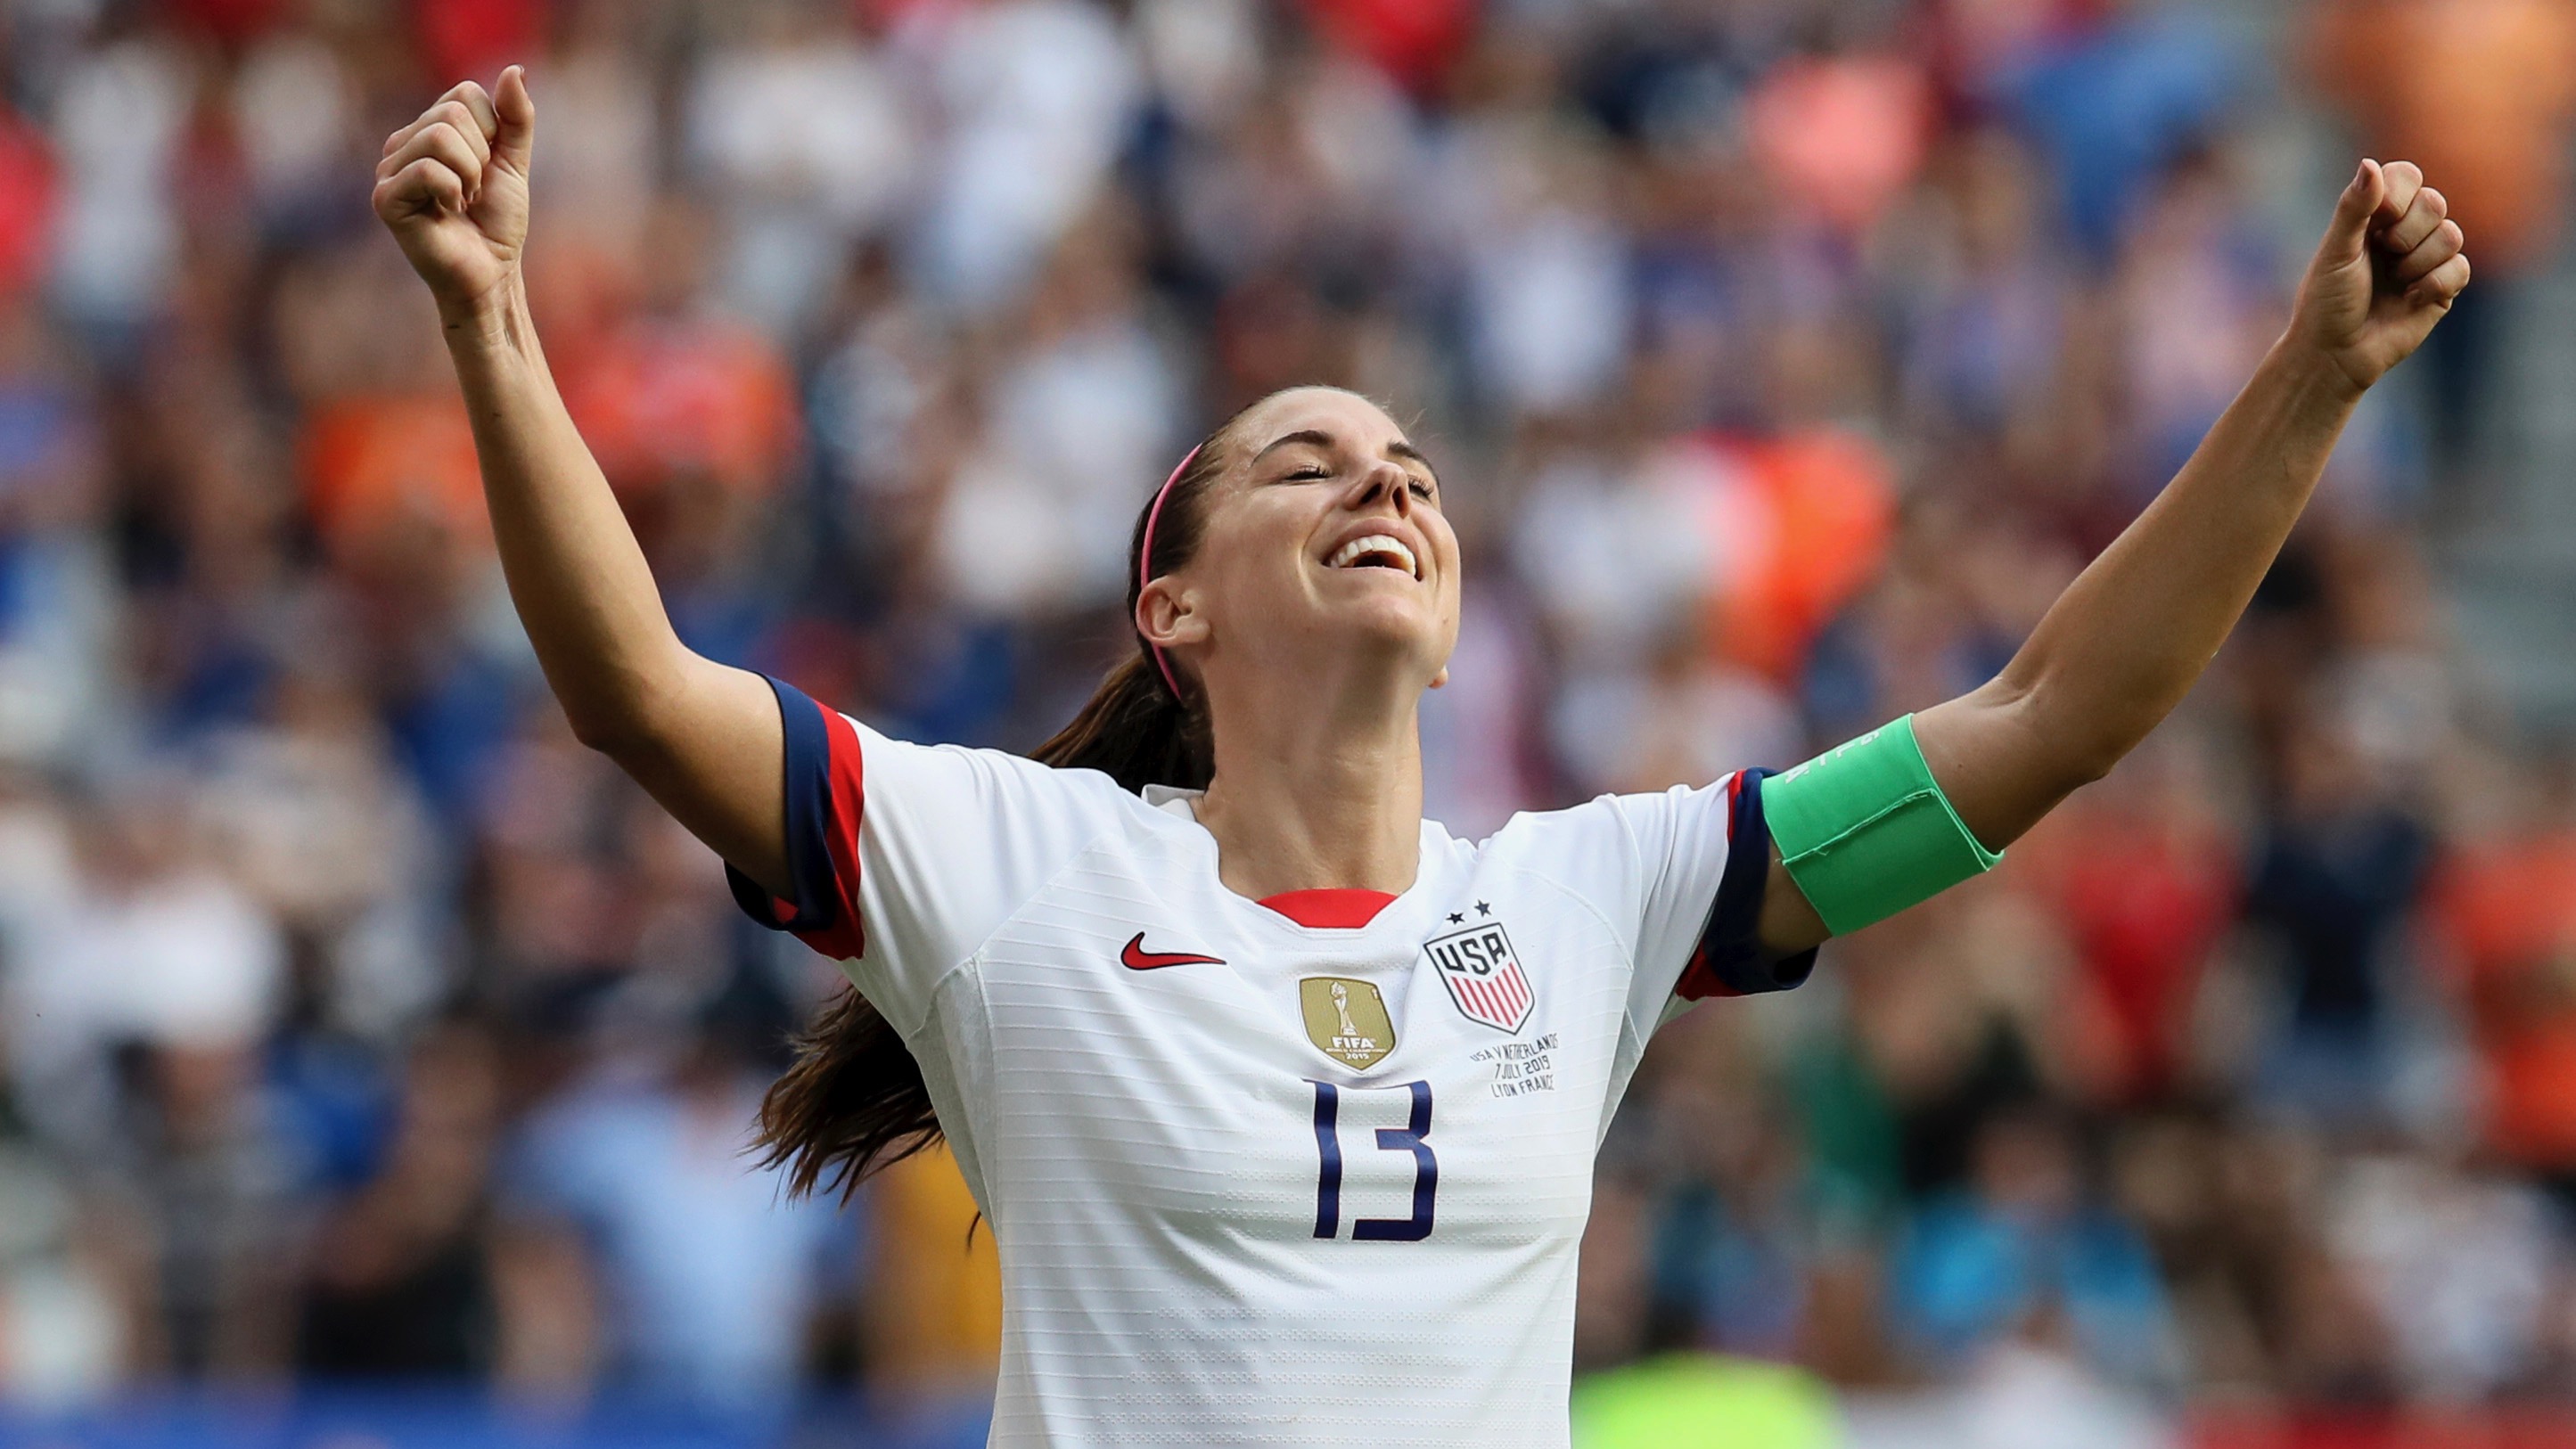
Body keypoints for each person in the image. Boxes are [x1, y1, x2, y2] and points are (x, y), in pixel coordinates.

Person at [373, 65, 2467, 1448]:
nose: (1384, 484)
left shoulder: (1589, 896)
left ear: (1457, 615)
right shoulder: (1013, 865)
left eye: (1414, 470)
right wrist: (486, 310)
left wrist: (2311, 378)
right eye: (1307, 463)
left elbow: (2047, 717)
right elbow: (637, 686)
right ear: (1170, 609)